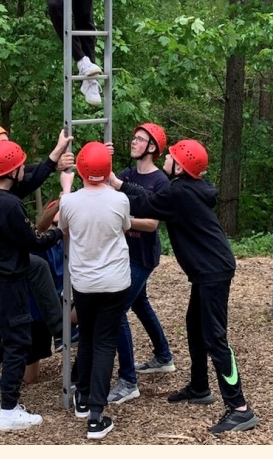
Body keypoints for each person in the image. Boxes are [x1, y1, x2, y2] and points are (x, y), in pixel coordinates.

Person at [108, 140, 259, 434]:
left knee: (215, 336)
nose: (166, 158)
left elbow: (146, 203)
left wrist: (117, 184)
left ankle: (240, 408)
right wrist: (122, 183)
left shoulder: (179, 193)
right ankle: (200, 387)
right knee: (194, 325)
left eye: (172, 156)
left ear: (180, 167)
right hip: (207, 269)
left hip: (212, 270)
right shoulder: (187, 188)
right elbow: (152, 196)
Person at [0, 124, 72, 403]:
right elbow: (24, 180)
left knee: (32, 270)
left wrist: (53, 159)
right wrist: (58, 233)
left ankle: (56, 326)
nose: (7, 144)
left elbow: (24, 176)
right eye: (1, 141)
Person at [59, 141, 131, 440]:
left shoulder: (71, 202)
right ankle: (96, 416)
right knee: (104, 342)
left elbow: (63, 228)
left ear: (82, 170)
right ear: (107, 169)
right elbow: (125, 227)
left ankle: (84, 397)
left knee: (87, 336)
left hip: (85, 284)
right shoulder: (120, 200)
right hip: (115, 282)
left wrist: (66, 188)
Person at [106, 123, 176, 406]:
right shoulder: (125, 174)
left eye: (140, 139)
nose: (133, 142)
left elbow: (151, 223)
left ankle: (128, 381)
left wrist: (124, 221)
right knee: (140, 303)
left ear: (151, 148)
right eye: (134, 137)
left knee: (117, 309)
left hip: (142, 256)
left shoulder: (160, 182)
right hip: (125, 252)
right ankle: (163, 356)